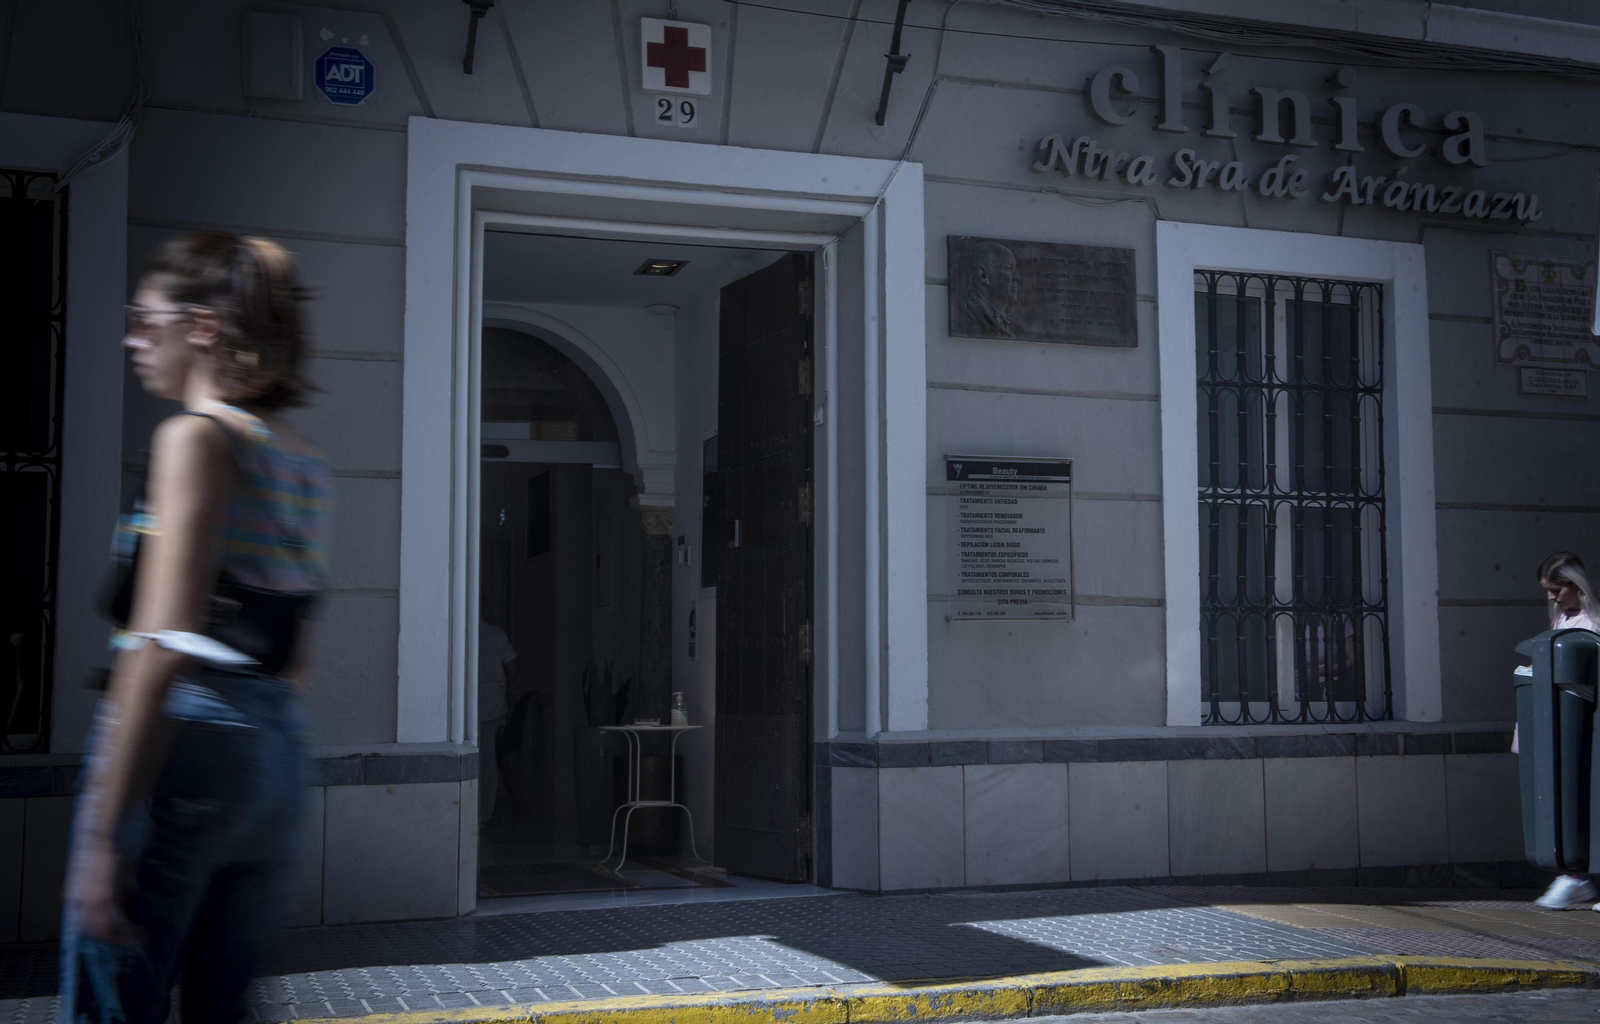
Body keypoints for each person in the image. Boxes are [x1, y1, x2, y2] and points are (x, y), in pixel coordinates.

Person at [60, 233, 330, 1022]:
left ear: (203, 327)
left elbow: (162, 637)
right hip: (272, 752)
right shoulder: (301, 463)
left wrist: (104, 834)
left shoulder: (193, 438)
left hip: (183, 743)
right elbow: (297, 655)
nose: (132, 339)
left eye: (145, 321)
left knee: (119, 997)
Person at [1528, 551, 1600, 911]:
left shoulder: (1593, 621)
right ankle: (1578, 876)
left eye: (1558, 589)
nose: (1554, 597)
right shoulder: (1562, 620)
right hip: (1562, 726)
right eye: (1549, 591)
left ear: (1577, 585)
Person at [478, 616, 519, 825]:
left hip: (470, 704)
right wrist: (503, 691)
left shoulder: (457, 630)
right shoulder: (495, 634)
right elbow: (513, 668)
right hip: (492, 704)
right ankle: (484, 814)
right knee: (487, 759)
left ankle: (477, 812)